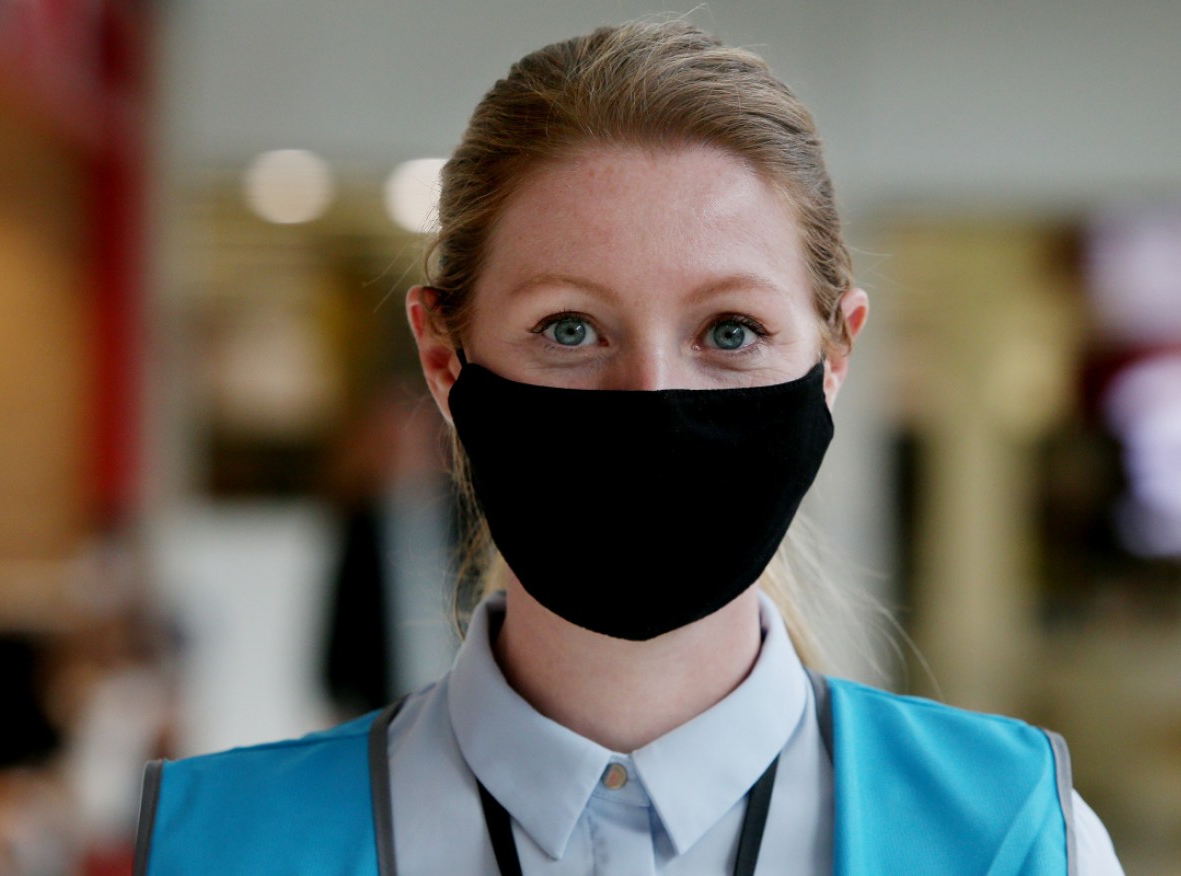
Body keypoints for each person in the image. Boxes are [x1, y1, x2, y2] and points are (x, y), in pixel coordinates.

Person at [134, 21, 1124, 874]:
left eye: (729, 331)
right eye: (570, 329)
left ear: (833, 355)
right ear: (443, 358)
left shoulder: (1015, 840)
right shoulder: (213, 847)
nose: (652, 402)